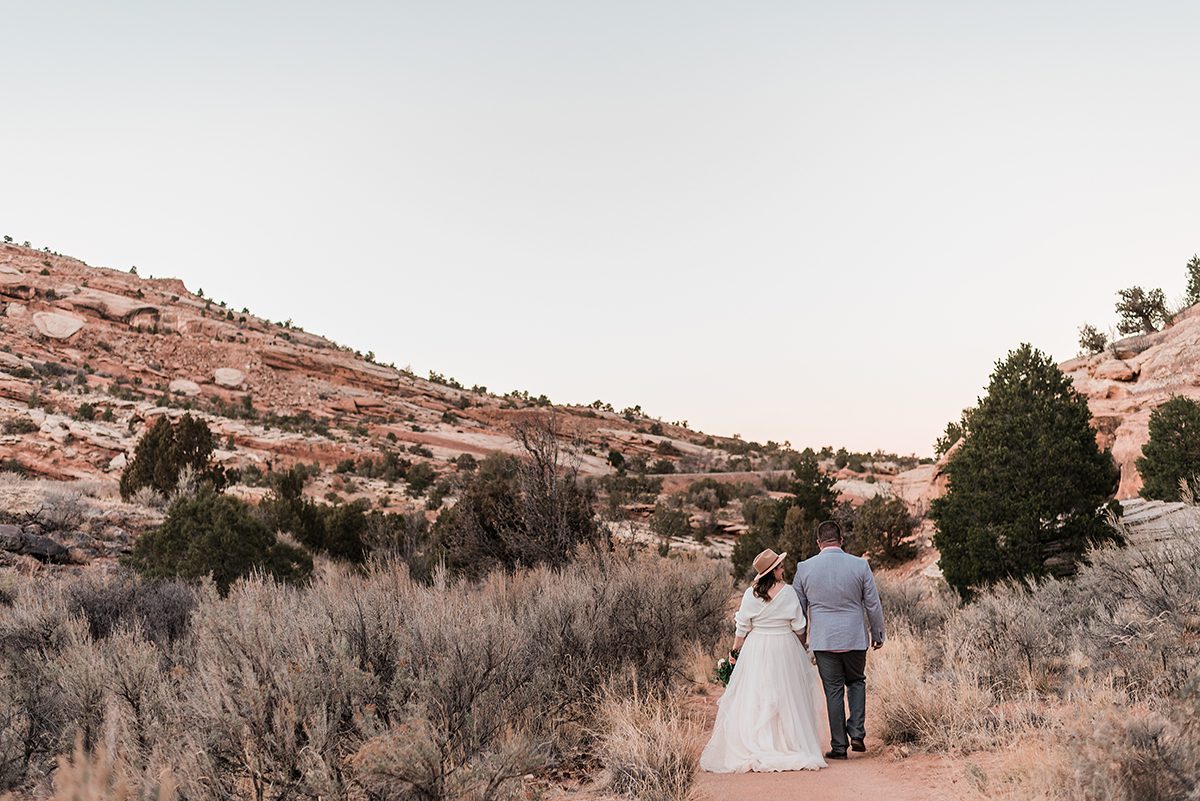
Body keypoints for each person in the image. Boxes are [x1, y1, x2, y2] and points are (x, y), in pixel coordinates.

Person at [700, 548, 828, 773]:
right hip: (784, 645)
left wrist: (734, 651)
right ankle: (787, 743)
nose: (782, 569)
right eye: (779, 567)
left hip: (757, 646)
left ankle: (759, 742)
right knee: (787, 693)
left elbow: (743, 627)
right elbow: (799, 625)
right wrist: (799, 645)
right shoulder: (787, 593)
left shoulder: (750, 594)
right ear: (773, 571)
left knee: (757, 693)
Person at [793, 520, 886, 760]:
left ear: (818, 542)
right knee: (856, 682)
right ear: (841, 540)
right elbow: (873, 604)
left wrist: (801, 640)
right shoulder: (860, 565)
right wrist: (878, 633)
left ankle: (839, 747)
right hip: (854, 637)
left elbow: (798, 609)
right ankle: (856, 732)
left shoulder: (805, 568)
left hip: (823, 641)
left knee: (833, 690)